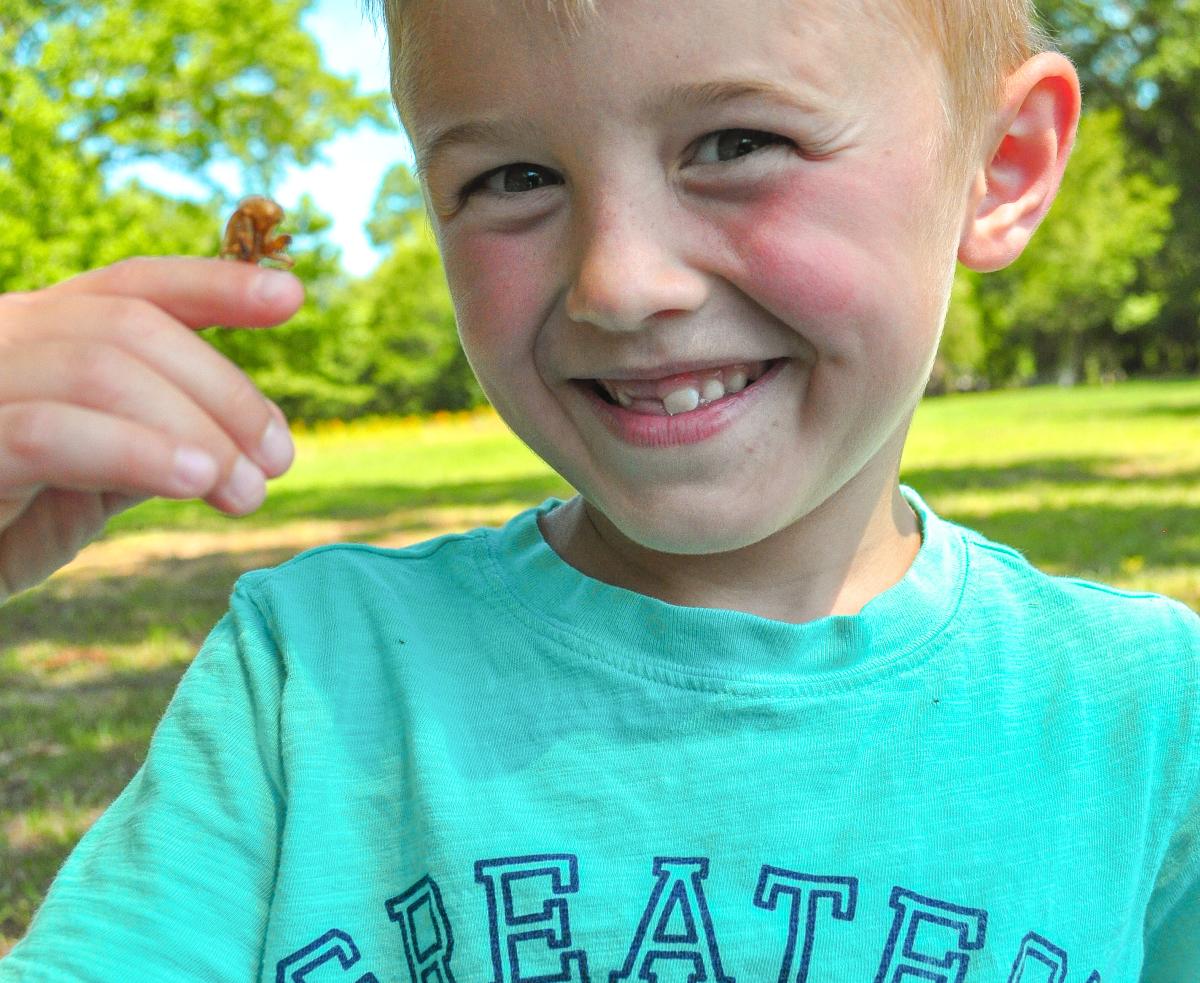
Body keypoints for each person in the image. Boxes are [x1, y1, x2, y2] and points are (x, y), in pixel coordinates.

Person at [1, 0, 1197, 977]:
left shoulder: (1145, 718)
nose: (619, 282)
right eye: (514, 175)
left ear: (1003, 166)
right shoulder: (310, 683)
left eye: (737, 145)